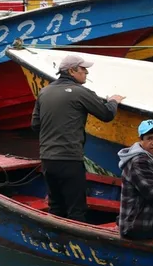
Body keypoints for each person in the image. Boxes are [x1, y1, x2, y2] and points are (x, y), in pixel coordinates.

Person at [31, 54, 124, 222]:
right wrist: (113, 101)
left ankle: (55, 242)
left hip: (47, 159)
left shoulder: (44, 92)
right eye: (83, 69)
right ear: (72, 71)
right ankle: (74, 245)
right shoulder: (81, 92)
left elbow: (35, 125)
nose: (86, 73)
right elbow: (106, 114)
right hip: (69, 159)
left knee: (56, 205)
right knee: (77, 210)